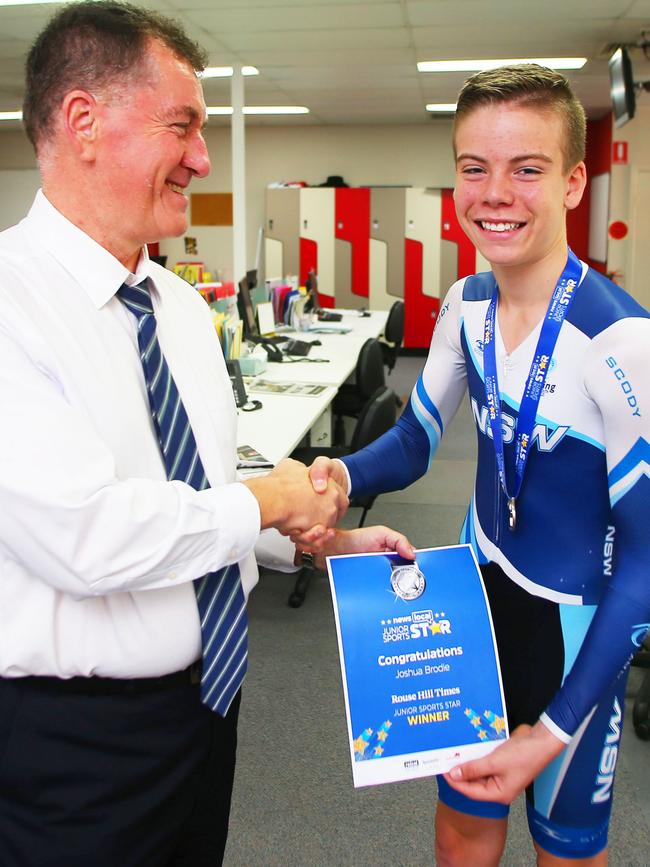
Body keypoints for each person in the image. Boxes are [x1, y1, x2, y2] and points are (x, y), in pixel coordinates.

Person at [0, 3, 416, 865]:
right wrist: (273, 494)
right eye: (182, 126)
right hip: (73, 748)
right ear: (84, 121)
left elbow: (197, 491)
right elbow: (91, 537)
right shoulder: (11, 305)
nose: (202, 156)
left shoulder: (180, 307)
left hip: (206, 715)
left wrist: (313, 540)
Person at [306, 64, 650, 866]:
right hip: (472, 609)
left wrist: (554, 730)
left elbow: (645, 560)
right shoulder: (466, 302)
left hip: (576, 639)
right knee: (461, 831)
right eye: (474, 167)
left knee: (565, 850)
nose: (496, 192)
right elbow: (417, 437)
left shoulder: (621, 343)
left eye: (526, 169)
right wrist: (345, 477)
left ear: (573, 182)